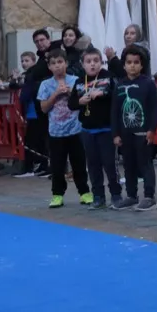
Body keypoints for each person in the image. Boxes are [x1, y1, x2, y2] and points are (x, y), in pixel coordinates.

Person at [110, 44, 157, 211]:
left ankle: (149, 197)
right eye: (129, 62)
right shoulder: (119, 85)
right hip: (125, 134)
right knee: (129, 165)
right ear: (124, 65)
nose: (132, 65)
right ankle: (131, 196)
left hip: (143, 133)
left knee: (145, 164)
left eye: (136, 62)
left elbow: (155, 109)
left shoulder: (148, 84)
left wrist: (152, 130)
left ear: (142, 65)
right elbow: (115, 111)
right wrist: (115, 134)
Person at [39, 48, 90, 208]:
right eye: (53, 63)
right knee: (57, 166)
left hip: (75, 129)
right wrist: (55, 94)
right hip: (56, 131)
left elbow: (82, 102)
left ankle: (84, 192)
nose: (57, 66)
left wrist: (70, 93)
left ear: (66, 63)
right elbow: (44, 108)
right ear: (49, 67)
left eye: (60, 62)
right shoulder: (45, 84)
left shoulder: (76, 81)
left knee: (79, 163)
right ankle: (57, 194)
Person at [76, 47, 122, 211]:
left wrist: (103, 94)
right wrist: (79, 101)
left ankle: (116, 195)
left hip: (106, 129)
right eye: (88, 61)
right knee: (93, 165)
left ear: (101, 62)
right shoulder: (79, 81)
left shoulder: (108, 77)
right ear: (83, 64)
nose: (92, 64)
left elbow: (117, 95)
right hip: (87, 130)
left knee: (110, 164)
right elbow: (71, 103)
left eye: (96, 61)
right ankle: (98, 196)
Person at [18, 30, 53, 179]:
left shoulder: (51, 55)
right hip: (39, 103)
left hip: (50, 101)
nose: (40, 43)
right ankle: (44, 165)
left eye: (42, 40)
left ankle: (50, 166)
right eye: (37, 41)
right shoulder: (40, 59)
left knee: (47, 137)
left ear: (48, 39)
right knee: (40, 137)